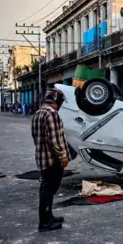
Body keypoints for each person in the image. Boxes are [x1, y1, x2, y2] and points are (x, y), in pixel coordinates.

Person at [31, 89, 69, 232]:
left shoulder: (39, 112)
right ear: (56, 100)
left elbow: (35, 136)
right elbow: (54, 140)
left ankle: (49, 216)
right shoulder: (51, 113)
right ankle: (45, 223)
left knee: (48, 187)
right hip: (52, 160)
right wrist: (63, 156)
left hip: (42, 157)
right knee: (48, 189)